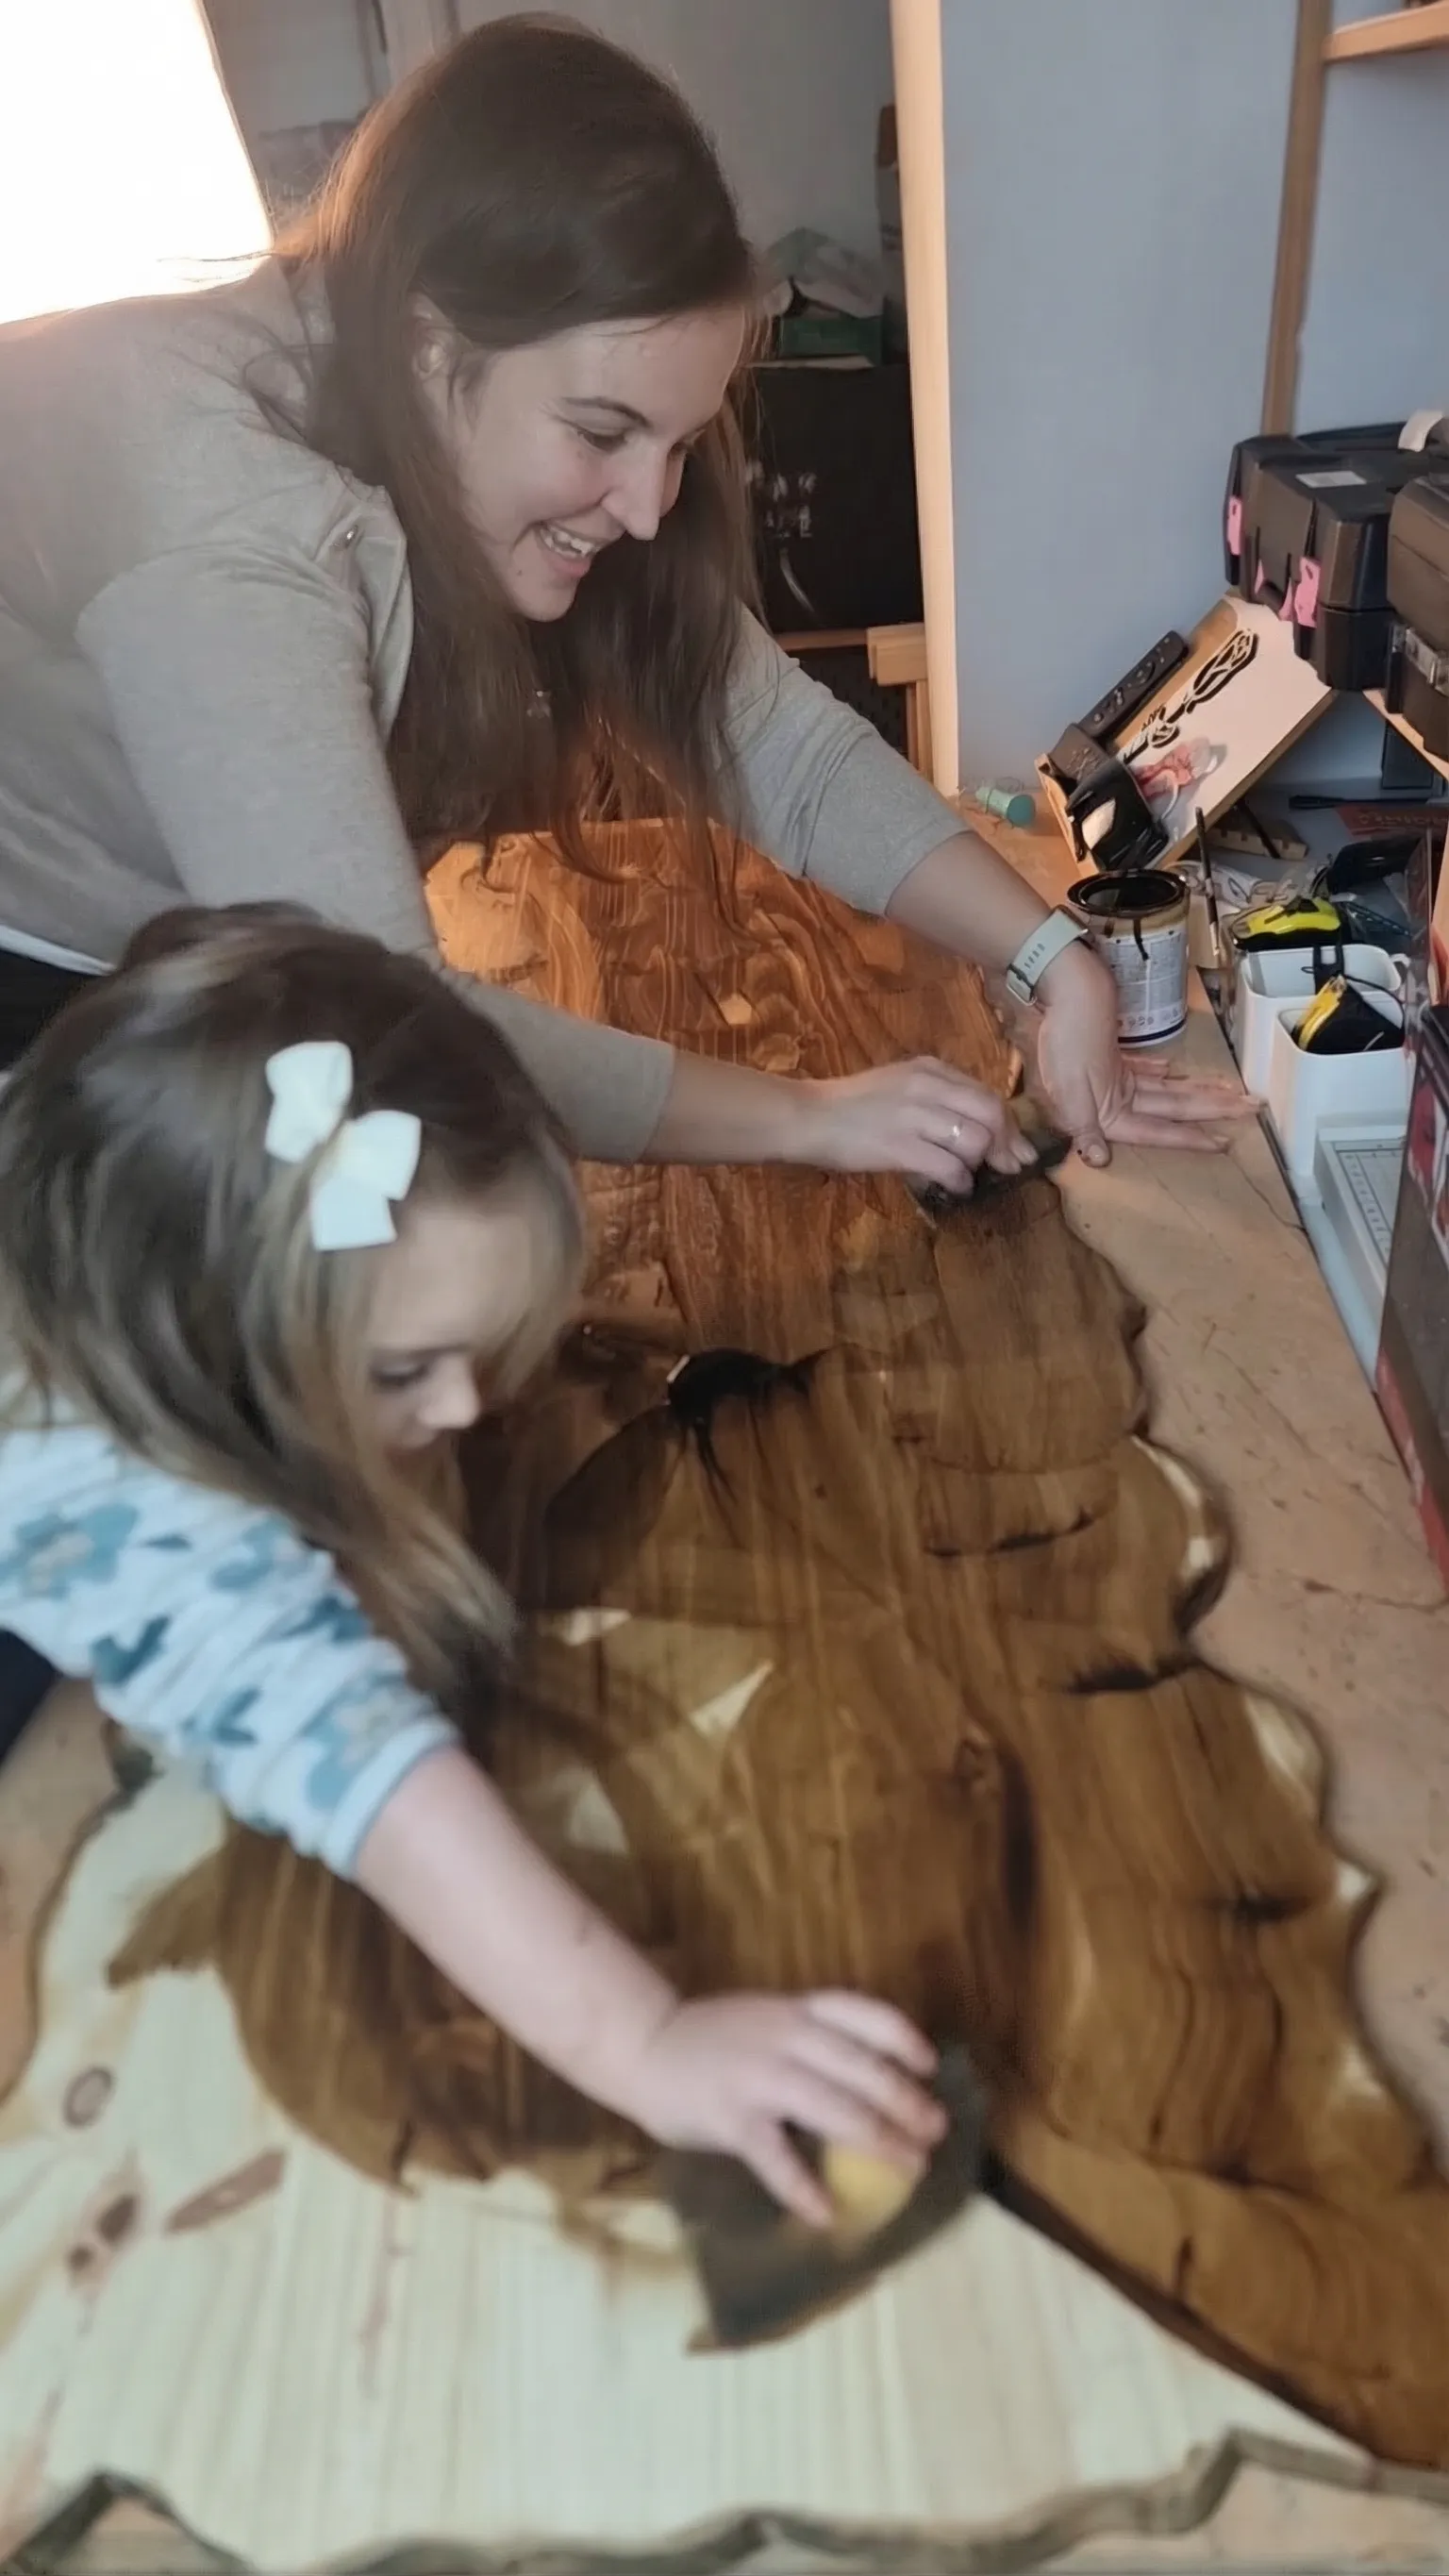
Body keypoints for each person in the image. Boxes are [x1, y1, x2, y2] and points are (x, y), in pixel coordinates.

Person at [0, 12, 1239, 1181]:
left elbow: (784, 752)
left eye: (680, 442)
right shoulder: (228, 522)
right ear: (432, 348)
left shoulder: (488, 412)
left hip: (214, 976)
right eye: (602, 433)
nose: (648, 509)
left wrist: (1053, 957)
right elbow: (385, 1035)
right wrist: (808, 1116)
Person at [0, 904, 946, 2220]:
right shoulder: (109, 1499)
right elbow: (365, 1769)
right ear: (195, 1342)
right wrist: (650, 2039)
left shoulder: (92, 1167)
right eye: (406, 1371)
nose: (461, 1407)